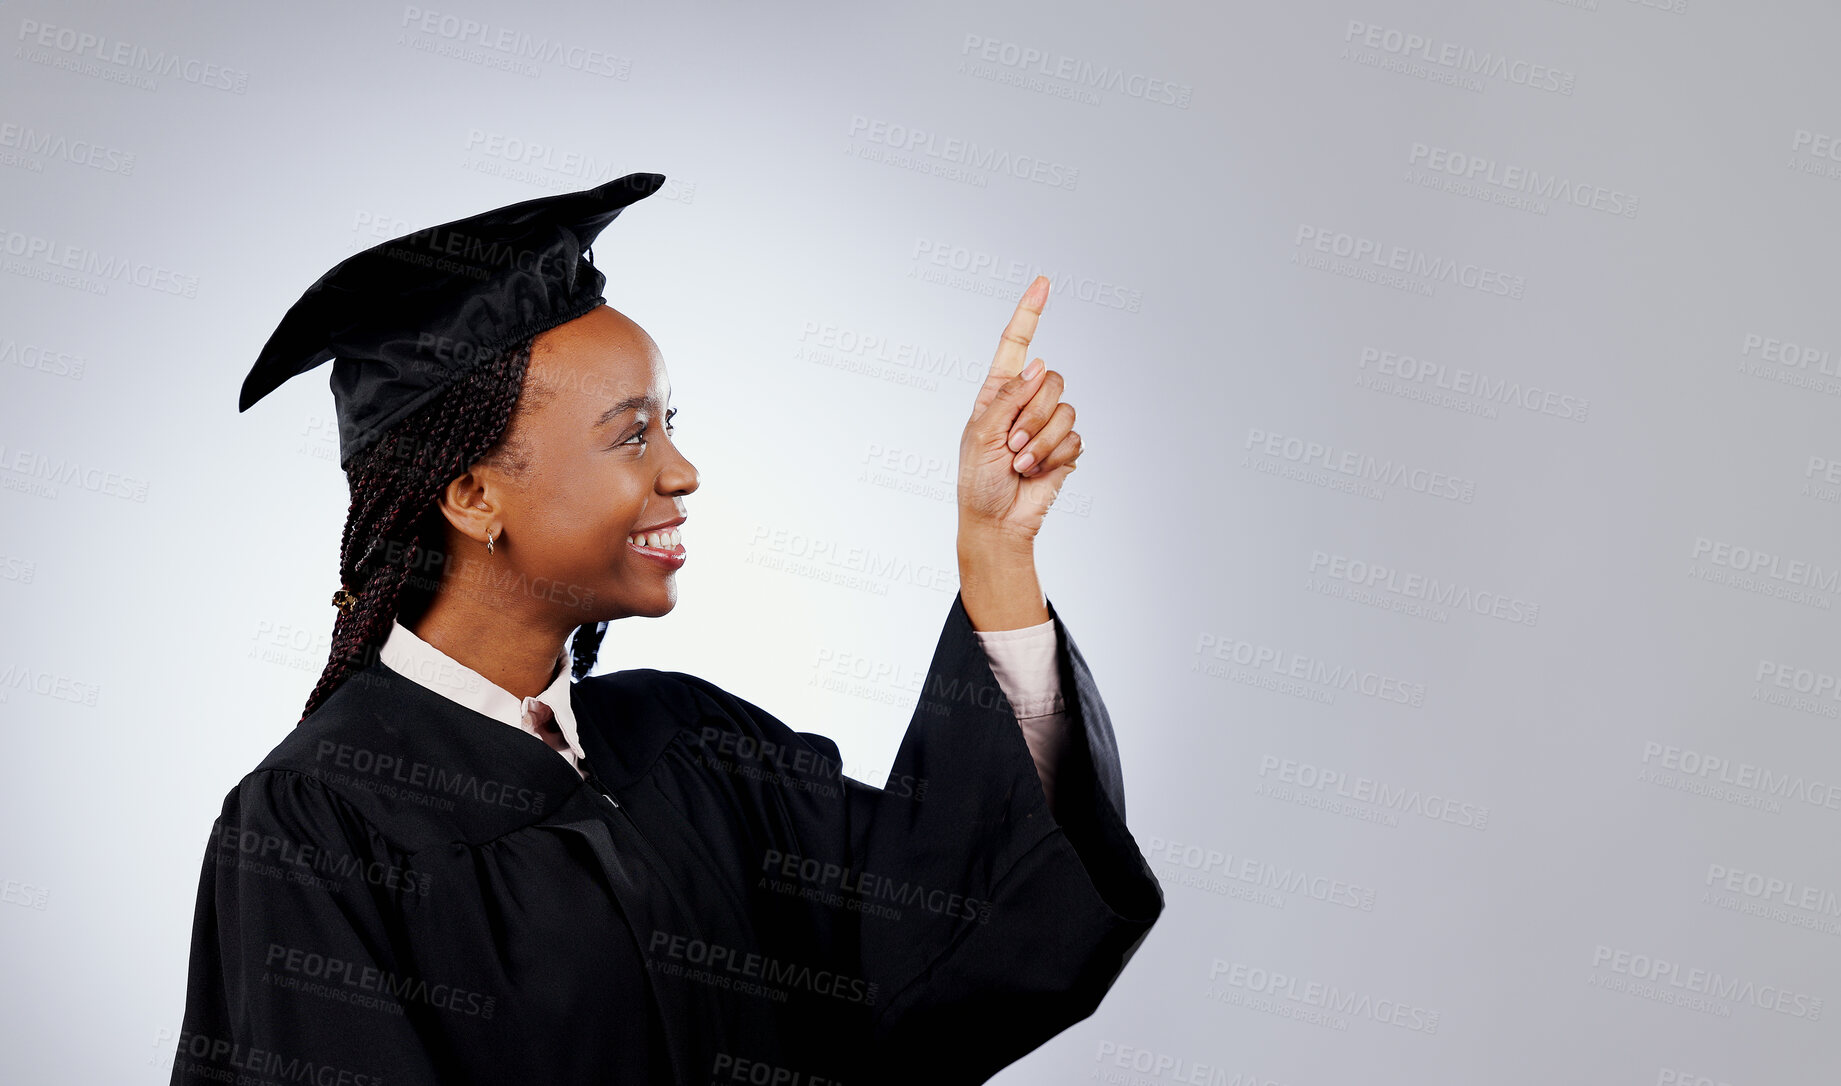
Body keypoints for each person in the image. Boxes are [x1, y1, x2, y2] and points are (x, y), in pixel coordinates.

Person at [170, 173, 1163, 1086]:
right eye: (632, 433)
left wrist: (992, 548)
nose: (680, 472)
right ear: (473, 495)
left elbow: (941, 936)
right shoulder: (319, 822)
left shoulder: (685, 737)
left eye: (669, 425)